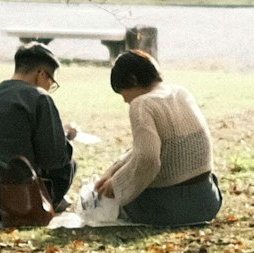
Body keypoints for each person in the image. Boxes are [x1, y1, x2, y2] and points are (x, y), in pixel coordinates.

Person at [93, 49, 221, 228]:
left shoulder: (142, 104)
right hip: (208, 201)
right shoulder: (181, 92)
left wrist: (116, 185)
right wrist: (114, 170)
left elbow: (148, 159)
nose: (125, 101)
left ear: (132, 80)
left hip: (170, 210)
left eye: (123, 94)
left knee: (116, 201)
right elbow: (157, 146)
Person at [0, 42, 74, 223]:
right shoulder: (40, 98)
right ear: (41, 74)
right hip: (18, 198)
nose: (50, 87)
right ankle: (48, 203)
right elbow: (54, 158)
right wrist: (66, 137)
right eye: (51, 82)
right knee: (68, 159)